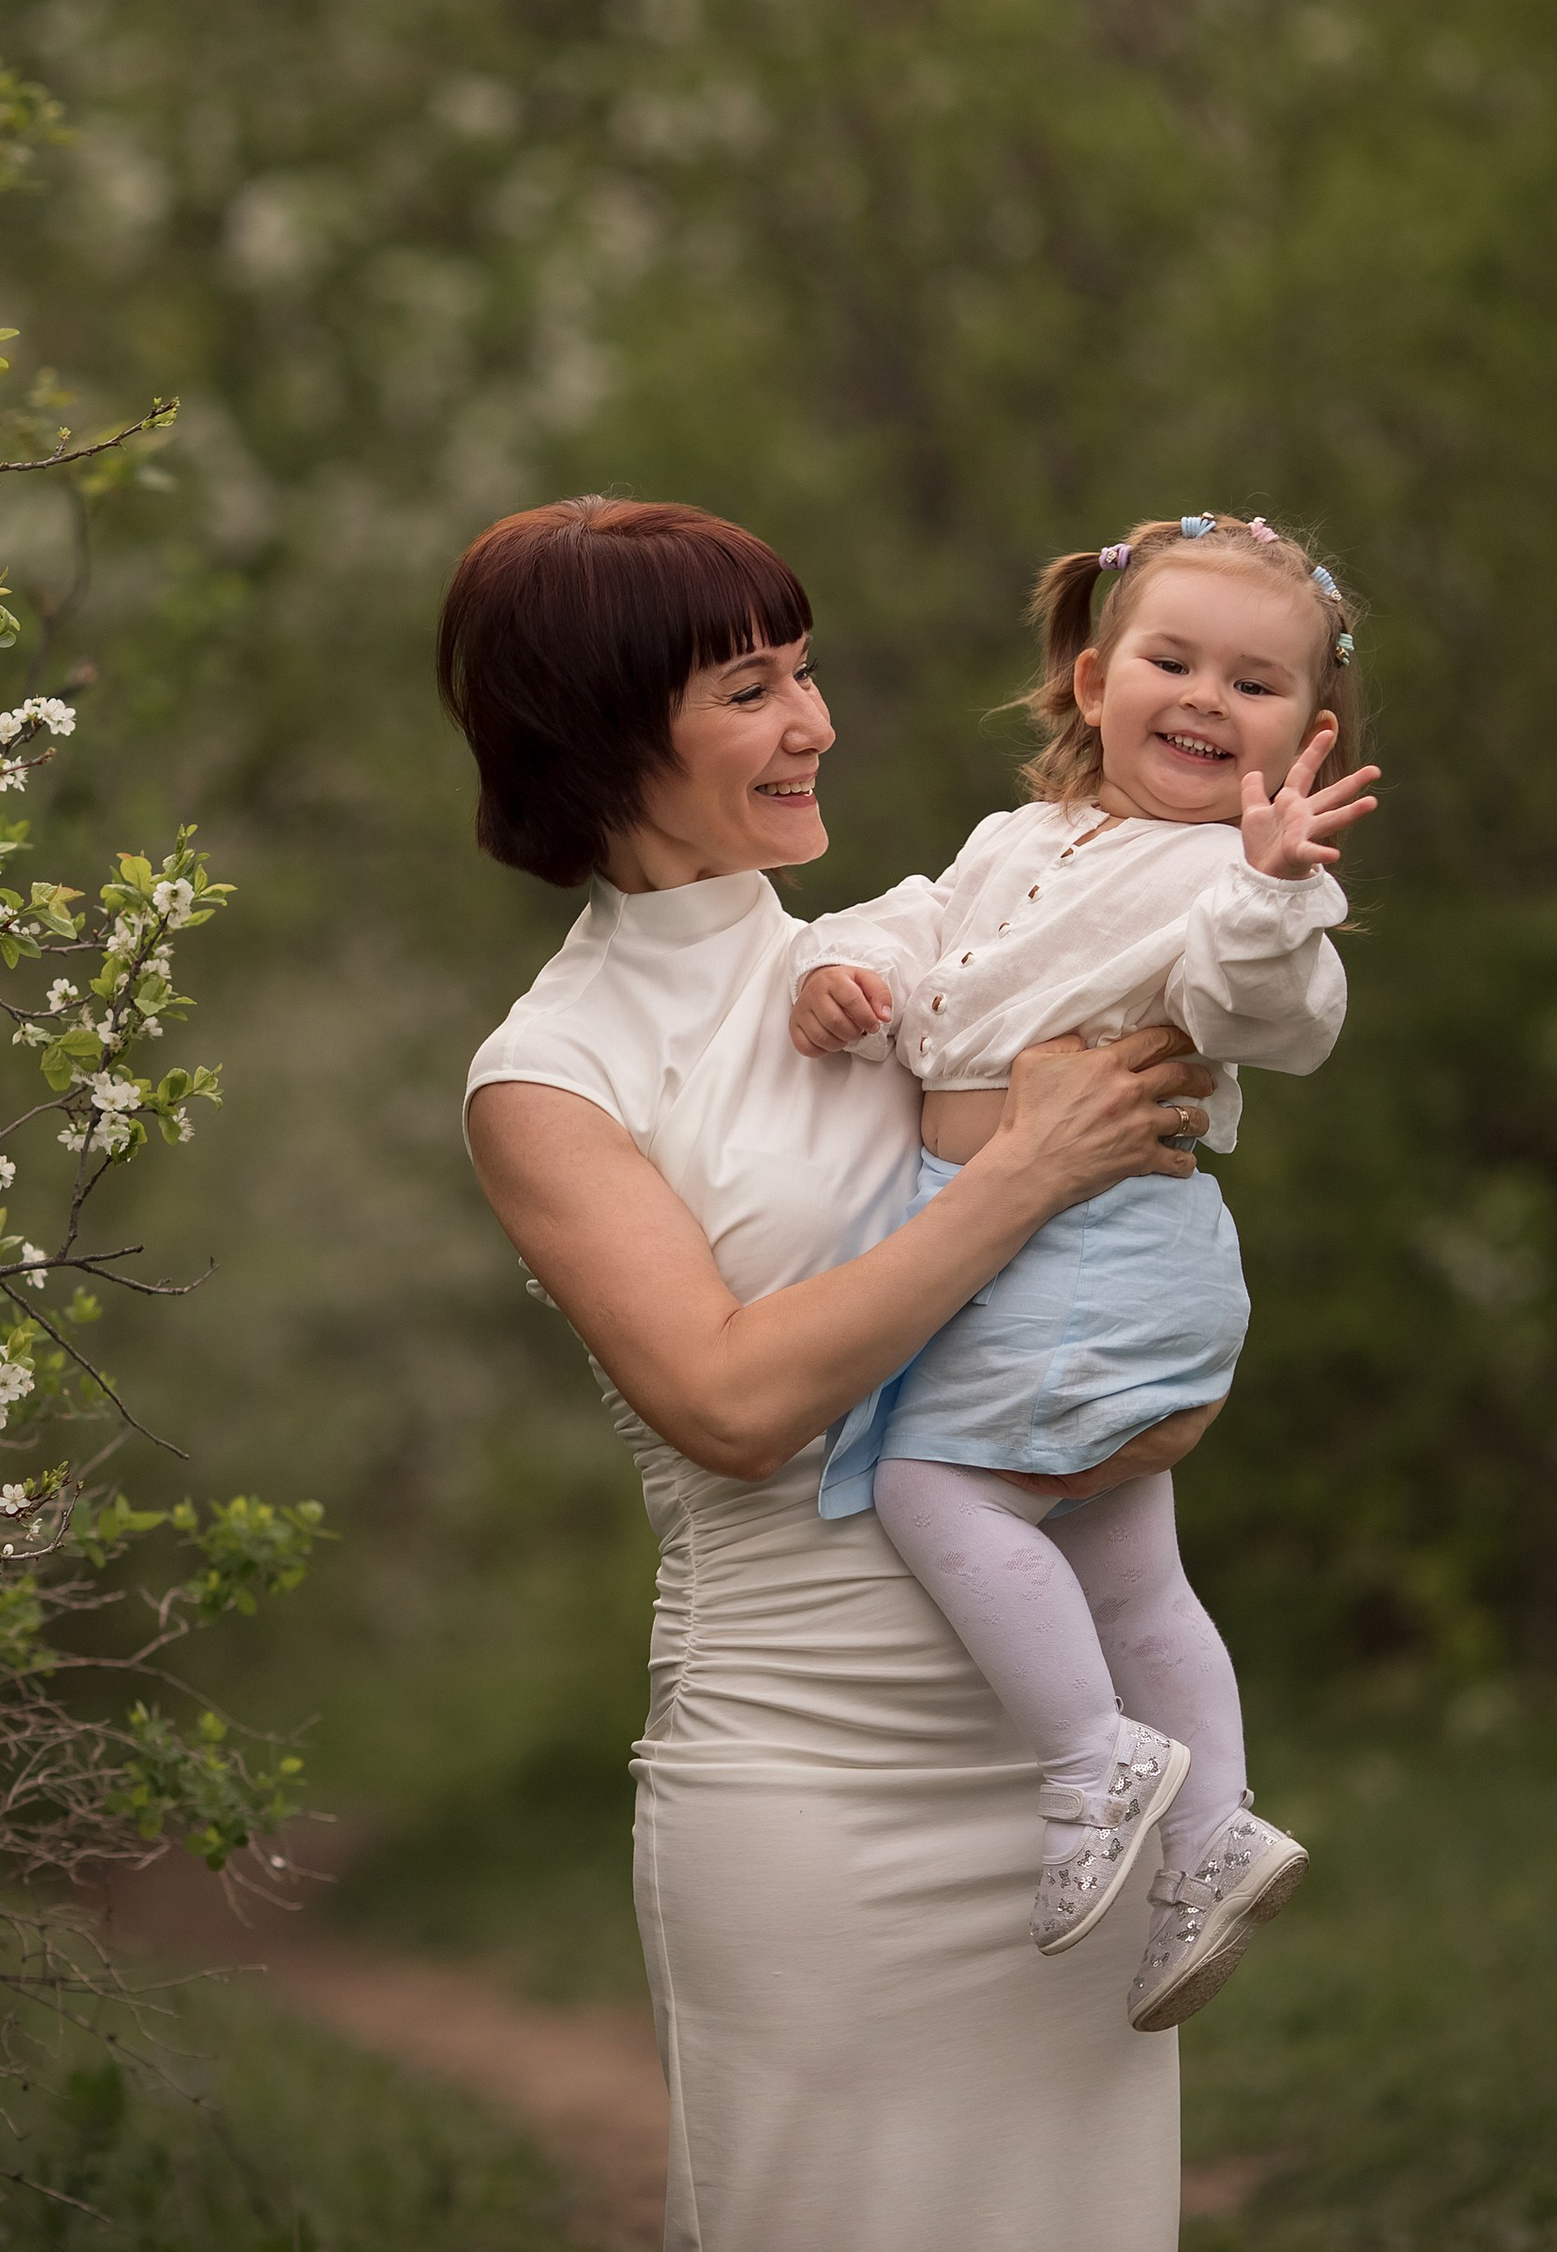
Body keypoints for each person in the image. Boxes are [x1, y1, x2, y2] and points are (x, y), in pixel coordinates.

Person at [450, 496, 1217, 2252]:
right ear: (595, 728)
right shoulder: (551, 1071)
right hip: (810, 1793)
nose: (816, 724)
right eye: (748, 688)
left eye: (805, 673)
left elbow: (1131, 1320)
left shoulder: (922, 958)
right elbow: (727, 1404)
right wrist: (1031, 1167)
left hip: (1069, 1775)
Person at [786, 512, 1376, 2030]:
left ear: (1306, 737)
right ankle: (1213, 1831)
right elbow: (916, 928)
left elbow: (1275, 1015)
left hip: (1101, 1235)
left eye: (1252, 685)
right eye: (1172, 661)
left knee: (933, 1489)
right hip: (1045, 1242)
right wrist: (839, 973)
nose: (1202, 697)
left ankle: (1094, 1759)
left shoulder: (1226, 884)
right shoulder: (1017, 844)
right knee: (1126, 1564)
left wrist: (1267, 887)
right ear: (1095, 678)